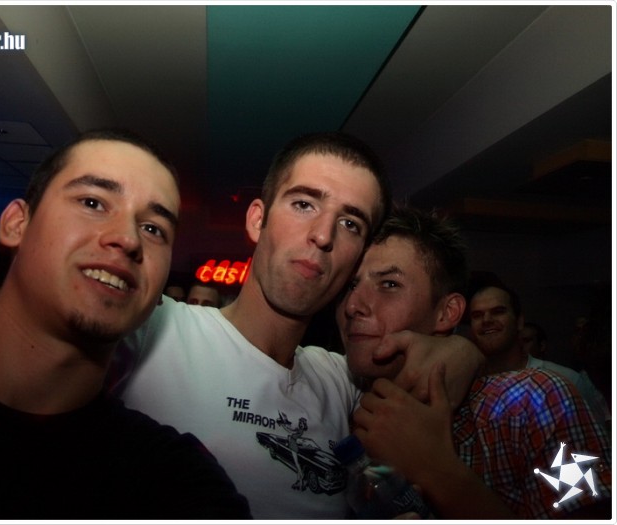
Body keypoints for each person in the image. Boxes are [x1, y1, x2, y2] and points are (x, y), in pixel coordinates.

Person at [117, 131, 485, 519]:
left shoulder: (340, 380)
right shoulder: (153, 330)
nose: (323, 234)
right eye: (304, 204)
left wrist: (462, 350)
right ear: (257, 220)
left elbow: (448, 367)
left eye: (350, 223)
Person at [0, 128, 251, 520]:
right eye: (93, 202)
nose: (128, 239)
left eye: (153, 229)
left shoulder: (172, 479)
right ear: (16, 224)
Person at [338, 205, 612, 519]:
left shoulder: (535, 403)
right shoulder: (335, 400)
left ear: (447, 313)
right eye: (350, 285)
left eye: (389, 284)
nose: (353, 305)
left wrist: (436, 470)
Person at [468, 283, 610, 426]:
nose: (486, 320)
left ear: (519, 322)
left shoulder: (566, 380)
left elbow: (592, 438)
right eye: (477, 315)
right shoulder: (466, 385)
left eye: (498, 312)